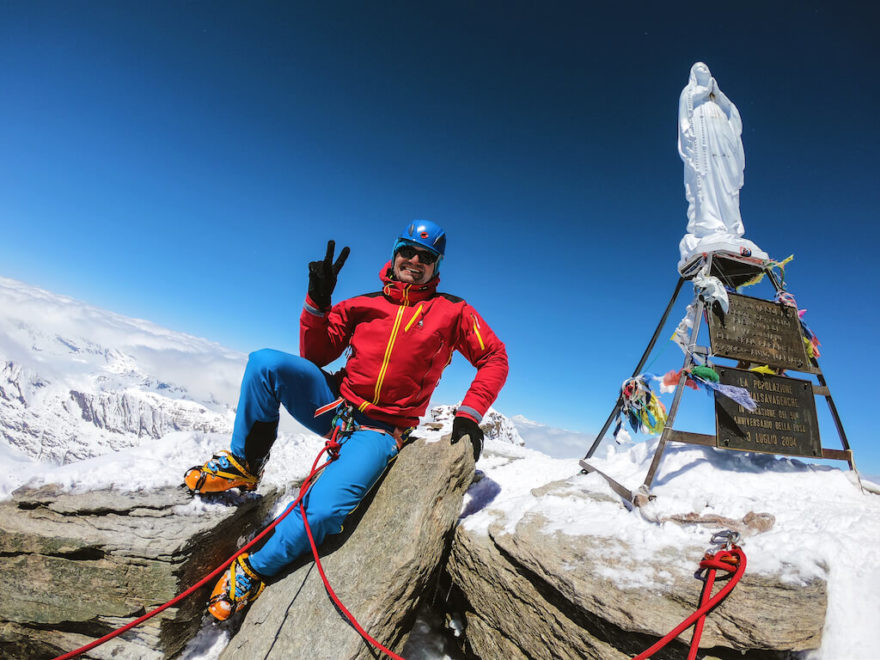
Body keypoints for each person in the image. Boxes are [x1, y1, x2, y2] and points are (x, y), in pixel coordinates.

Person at [184, 220, 508, 620]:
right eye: (407, 250)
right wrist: (317, 303)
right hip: (334, 405)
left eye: (426, 257)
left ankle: (252, 568)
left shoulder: (453, 312)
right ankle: (244, 465)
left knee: (322, 513)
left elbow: (494, 357)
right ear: (394, 255)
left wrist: (470, 413)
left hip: (379, 430)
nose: (414, 260)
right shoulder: (363, 303)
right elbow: (316, 354)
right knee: (265, 362)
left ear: (436, 268)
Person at [677, 62, 767, 270]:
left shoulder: (717, 98)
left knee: (726, 184)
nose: (704, 72)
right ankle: (711, 226)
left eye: (706, 70)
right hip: (704, 146)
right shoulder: (690, 93)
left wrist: (716, 93)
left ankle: (729, 227)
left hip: (722, 144)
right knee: (708, 183)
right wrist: (703, 93)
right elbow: (685, 110)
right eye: (699, 70)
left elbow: (732, 112)